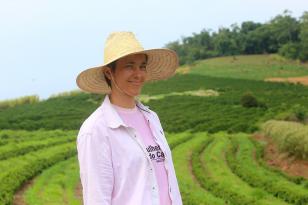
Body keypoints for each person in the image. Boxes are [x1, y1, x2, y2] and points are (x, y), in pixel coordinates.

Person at [76, 31, 183, 205]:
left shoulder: (151, 118)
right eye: (129, 66)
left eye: (142, 66)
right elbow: (97, 199)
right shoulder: (95, 130)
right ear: (109, 73)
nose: (138, 74)